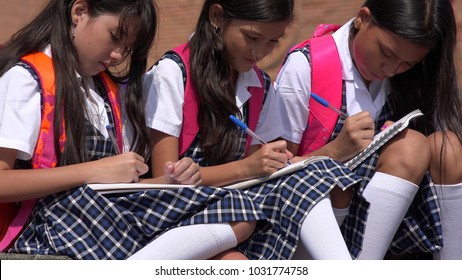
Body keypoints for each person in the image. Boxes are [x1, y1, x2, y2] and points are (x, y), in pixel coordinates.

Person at [139, 0, 362, 260]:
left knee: (317, 177)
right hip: (176, 213)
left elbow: (256, 178)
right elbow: (168, 182)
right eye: (252, 37)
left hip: (233, 211)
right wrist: (248, 167)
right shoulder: (173, 72)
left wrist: (272, 164)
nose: (259, 52)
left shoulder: (261, 86)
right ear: (217, 17)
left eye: (272, 42)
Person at [0, 0, 213, 260]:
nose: (118, 55)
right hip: (52, 225)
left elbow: (115, 182)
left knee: (231, 209)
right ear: (79, 12)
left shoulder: (105, 91)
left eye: (128, 47)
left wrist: (166, 183)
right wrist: (93, 171)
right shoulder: (26, 79)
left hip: (100, 215)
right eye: (115, 37)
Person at [272, 0, 460, 259]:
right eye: (387, 53)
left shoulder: (411, 78)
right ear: (363, 18)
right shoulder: (306, 66)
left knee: (446, 147)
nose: (391, 69)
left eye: (407, 63)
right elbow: (272, 174)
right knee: (410, 147)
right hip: (319, 217)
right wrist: (335, 151)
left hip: (391, 210)